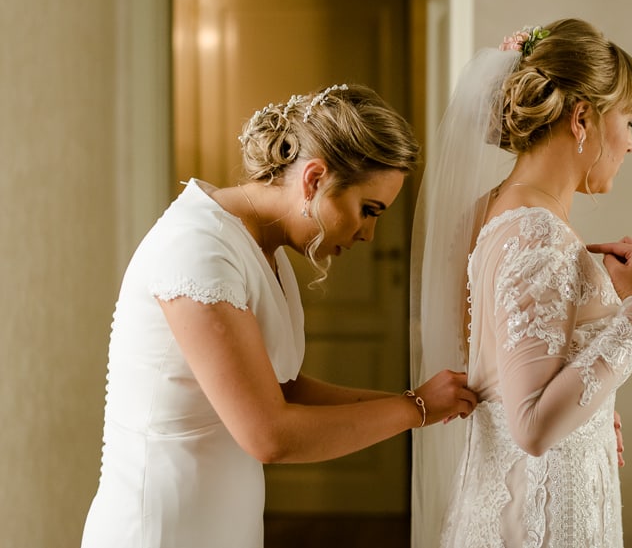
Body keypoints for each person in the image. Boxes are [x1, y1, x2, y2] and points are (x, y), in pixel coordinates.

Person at [80, 83, 477, 548]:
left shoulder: (264, 248)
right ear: (314, 180)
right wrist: (415, 410)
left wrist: (416, 400)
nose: (369, 233)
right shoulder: (198, 249)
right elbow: (268, 434)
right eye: (368, 210)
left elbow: (285, 388)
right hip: (163, 527)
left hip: (223, 521)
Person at [410, 18, 632, 547]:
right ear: (583, 118)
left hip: (522, 494)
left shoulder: (493, 212)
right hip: (543, 517)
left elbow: (499, 385)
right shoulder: (534, 231)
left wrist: (594, 411)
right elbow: (531, 425)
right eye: (630, 122)